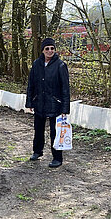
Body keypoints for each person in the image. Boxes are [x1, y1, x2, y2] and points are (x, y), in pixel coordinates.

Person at [25, 37, 70, 168]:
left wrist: (65, 108)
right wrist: (30, 102)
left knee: (55, 132)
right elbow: (31, 85)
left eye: (52, 49)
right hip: (39, 103)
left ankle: (57, 157)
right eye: (47, 49)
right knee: (38, 130)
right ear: (43, 51)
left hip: (55, 104)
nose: (50, 51)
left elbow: (65, 88)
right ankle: (37, 151)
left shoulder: (61, 65)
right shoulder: (36, 64)